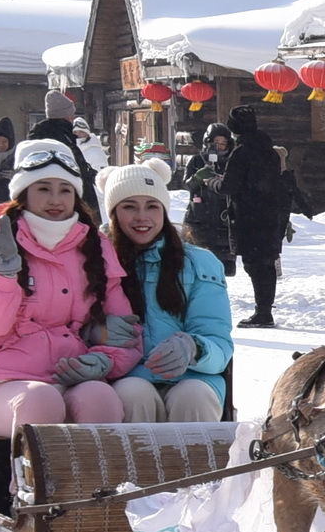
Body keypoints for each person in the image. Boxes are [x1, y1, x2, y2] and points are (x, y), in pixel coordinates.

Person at [0, 137, 138, 432]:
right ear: (23, 194)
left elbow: (126, 331)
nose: (55, 199)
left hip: (70, 374)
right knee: (41, 402)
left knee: (101, 399)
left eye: (65, 190)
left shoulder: (95, 246)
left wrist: (104, 360)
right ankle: (25, 479)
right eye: (43, 189)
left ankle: (94, 480)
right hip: (3, 381)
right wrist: (3, 272)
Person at [92, 159, 233, 421]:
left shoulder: (199, 262)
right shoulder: (95, 262)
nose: (142, 216)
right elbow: (68, 326)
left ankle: (200, 463)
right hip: (126, 374)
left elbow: (219, 342)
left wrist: (195, 348)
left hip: (193, 376)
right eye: (129, 207)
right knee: (131, 394)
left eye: (152, 206)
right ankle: (135, 463)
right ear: (112, 214)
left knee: (193, 397)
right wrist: (96, 332)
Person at [220, 108, 296, 326]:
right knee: (266, 263)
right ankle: (264, 310)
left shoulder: (242, 152)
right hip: (271, 215)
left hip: (249, 217)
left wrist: (211, 181)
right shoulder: (269, 151)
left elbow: (228, 186)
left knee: (255, 264)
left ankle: (262, 313)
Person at [183, 124, 240, 276]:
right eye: (216, 143)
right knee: (199, 263)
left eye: (223, 143)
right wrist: (198, 177)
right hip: (199, 219)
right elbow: (188, 185)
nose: (219, 147)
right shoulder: (196, 161)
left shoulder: (232, 163)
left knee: (223, 268)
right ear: (208, 142)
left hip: (224, 219)